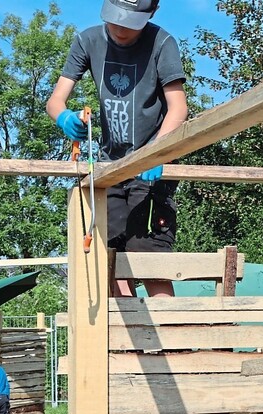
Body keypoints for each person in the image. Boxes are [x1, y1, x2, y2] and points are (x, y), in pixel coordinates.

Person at [46, 0, 188, 297]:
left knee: (147, 254)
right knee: (110, 253)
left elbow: (178, 108)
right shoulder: (88, 40)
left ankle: (170, 341)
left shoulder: (162, 44)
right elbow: (55, 100)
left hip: (152, 167)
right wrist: (64, 117)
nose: (121, 28)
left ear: (152, 13)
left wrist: (158, 151)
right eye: (116, 19)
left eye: (131, 21)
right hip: (109, 167)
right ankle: (127, 344)